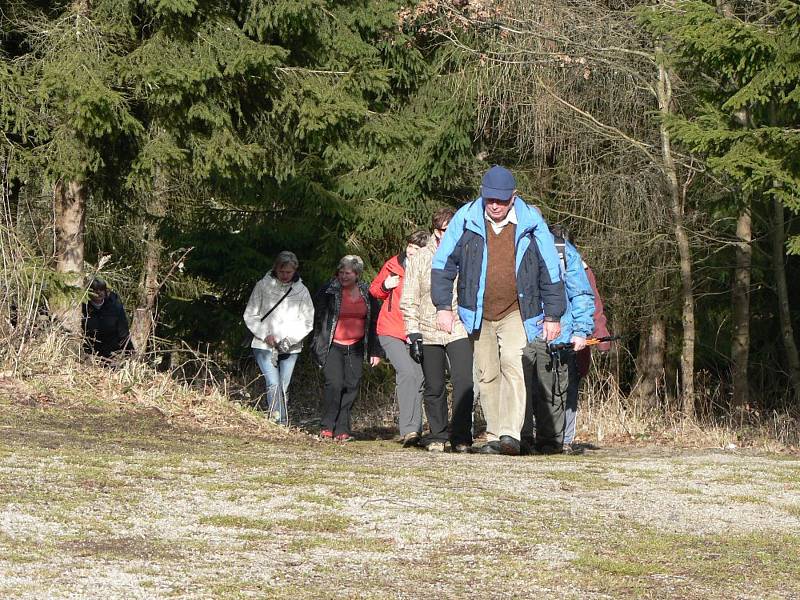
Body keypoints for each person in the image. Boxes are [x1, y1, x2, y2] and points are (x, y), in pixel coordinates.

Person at [431, 165, 565, 456]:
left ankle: (510, 435)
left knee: (515, 366)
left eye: (501, 200)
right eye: (490, 199)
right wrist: (443, 306)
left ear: (513, 198)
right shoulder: (465, 220)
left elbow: (551, 271)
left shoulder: (531, 224)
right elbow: (442, 264)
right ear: (482, 195)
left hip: (518, 309)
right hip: (477, 312)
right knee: (487, 373)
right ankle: (494, 436)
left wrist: (553, 315)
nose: (495, 205)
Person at [401, 208, 475, 453]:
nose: (452, 233)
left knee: (463, 381)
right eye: (446, 229)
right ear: (436, 231)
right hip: (428, 327)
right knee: (434, 385)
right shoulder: (420, 258)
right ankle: (437, 434)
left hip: (459, 326)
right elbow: (409, 296)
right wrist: (412, 331)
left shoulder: (467, 253)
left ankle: (462, 435)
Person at [521, 225, 595, 454]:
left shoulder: (563, 251)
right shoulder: (512, 249)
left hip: (558, 334)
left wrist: (582, 330)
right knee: (520, 390)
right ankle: (521, 439)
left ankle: (549, 442)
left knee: (553, 391)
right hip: (520, 330)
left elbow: (581, 292)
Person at [311, 255, 382, 442]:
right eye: (341, 272)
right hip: (332, 345)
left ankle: (343, 429)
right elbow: (317, 317)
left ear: (357, 274)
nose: (343, 276)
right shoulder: (328, 290)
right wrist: (317, 343)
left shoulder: (367, 292)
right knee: (334, 384)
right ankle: (327, 426)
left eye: (348, 273)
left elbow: (375, 321)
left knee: (351, 386)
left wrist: (375, 351)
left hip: (357, 347)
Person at [370, 231, 429, 448]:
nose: (411, 251)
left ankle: (416, 429)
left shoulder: (427, 268)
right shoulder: (393, 264)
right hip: (390, 329)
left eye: (416, 248)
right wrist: (386, 285)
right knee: (406, 373)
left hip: (416, 331)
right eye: (410, 246)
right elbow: (374, 290)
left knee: (420, 377)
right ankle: (408, 430)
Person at [243, 251, 314, 426]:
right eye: (282, 272)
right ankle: (279, 422)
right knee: (273, 383)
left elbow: (307, 320)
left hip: (291, 347)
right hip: (263, 345)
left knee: (283, 386)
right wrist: (264, 334)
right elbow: (250, 315)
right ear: (276, 269)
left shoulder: (301, 291)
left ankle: (280, 420)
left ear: (295, 270)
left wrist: (291, 339)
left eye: (288, 272)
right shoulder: (262, 286)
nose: (285, 276)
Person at [82, 278, 132, 359]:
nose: (98, 292)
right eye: (94, 290)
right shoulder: (83, 307)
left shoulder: (114, 306)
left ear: (105, 292)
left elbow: (123, 332)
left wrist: (130, 353)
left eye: (101, 289)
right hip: (89, 353)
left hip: (112, 353)